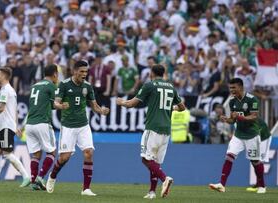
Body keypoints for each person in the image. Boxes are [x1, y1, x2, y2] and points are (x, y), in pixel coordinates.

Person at [116, 64, 186, 199]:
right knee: (155, 163)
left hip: (153, 127)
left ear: (151, 73)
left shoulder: (150, 85)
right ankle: (152, 192)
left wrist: (121, 102)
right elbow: (182, 107)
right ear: (164, 74)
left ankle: (165, 179)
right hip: (166, 129)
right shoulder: (171, 87)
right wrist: (172, 109)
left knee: (146, 159)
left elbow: (131, 104)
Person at [45, 60, 110, 196]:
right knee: (64, 158)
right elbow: (56, 102)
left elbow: (94, 105)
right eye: (81, 71)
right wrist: (60, 106)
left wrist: (101, 111)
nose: (84, 74)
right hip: (68, 126)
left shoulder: (87, 86)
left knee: (89, 153)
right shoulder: (64, 85)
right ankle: (52, 176)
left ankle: (86, 188)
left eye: (86, 72)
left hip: (83, 125)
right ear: (75, 71)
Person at [209, 78, 266, 194]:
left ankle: (262, 186)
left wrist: (241, 118)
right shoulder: (232, 101)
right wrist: (227, 119)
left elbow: (254, 116)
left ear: (241, 87)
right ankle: (222, 184)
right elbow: (232, 120)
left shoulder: (252, 99)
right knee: (229, 156)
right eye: (230, 88)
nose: (232, 90)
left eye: (234, 87)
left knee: (255, 162)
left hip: (251, 135)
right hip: (238, 135)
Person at [20, 64, 69, 190]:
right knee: (52, 152)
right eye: (57, 74)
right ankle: (40, 178)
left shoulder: (34, 86)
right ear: (54, 74)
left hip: (30, 124)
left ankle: (33, 181)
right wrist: (62, 106)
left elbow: (46, 104)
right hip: (42, 123)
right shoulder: (51, 86)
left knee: (36, 155)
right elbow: (55, 103)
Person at [0, 67, 30, 187]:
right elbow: (15, 110)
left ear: (3, 76)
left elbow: (1, 108)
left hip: (6, 126)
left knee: (7, 154)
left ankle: (26, 176)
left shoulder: (6, 90)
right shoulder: (8, 90)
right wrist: (17, 125)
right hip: (3, 125)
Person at [246, 118, 271, 192]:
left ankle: (262, 185)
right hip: (255, 139)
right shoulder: (242, 118)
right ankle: (258, 184)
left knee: (259, 161)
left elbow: (259, 129)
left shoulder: (251, 117)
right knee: (254, 160)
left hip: (264, 138)